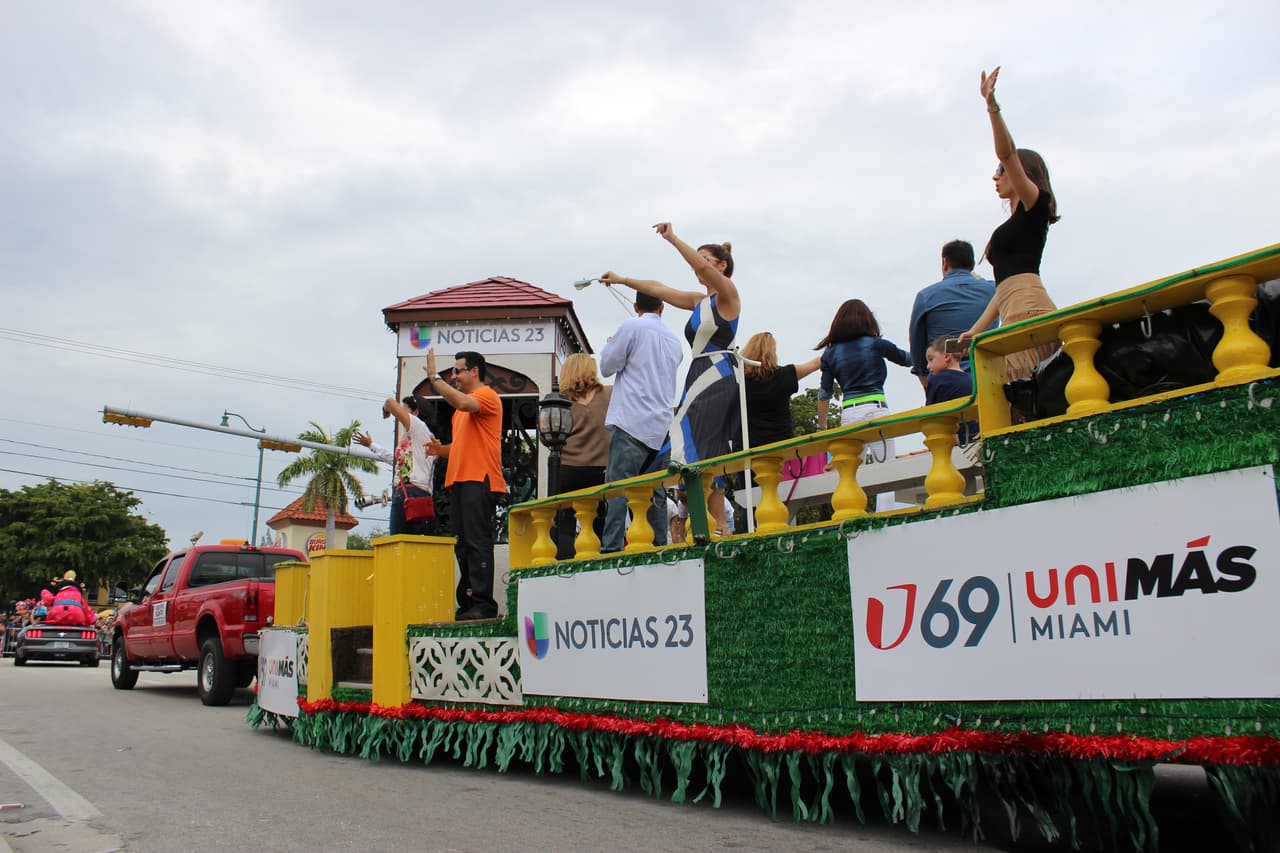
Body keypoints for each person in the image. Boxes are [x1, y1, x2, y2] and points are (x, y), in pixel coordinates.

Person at [602, 221, 741, 536]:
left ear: (722, 266)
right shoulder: (699, 302)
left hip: (718, 374)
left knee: (701, 445)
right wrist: (623, 279)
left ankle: (719, 524)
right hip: (698, 374)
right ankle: (714, 524)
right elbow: (659, 289)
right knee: (697, 447)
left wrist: (673, 239)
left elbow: (701, 271)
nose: (698, 267)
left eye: (705, 260)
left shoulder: (729, 295)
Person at [957, 67, 1062, 382]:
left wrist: (991, 107)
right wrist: (976, 330)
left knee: (1022, 387)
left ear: (1020, 173)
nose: (995, 176)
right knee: (1019, 389)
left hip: (1028, 309)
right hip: (1013, 308)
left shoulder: (1035, 205)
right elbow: (1003, 284)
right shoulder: (1017, 220)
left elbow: (1008, 152)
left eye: (1001, 170)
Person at [423, 349, 506, 621]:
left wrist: (435, 379)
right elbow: (461, 446)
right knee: (463, 544)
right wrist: (441, 450)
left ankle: (483, 603)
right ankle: (469, 600)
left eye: (457, 371)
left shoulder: (486, 396)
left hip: (479, 479)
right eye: (452, 372)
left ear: (474, 371)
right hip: (460, 480)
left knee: (477, 541)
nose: (454, 376)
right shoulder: (462, 412)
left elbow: (461, 402)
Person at [597, 290, 683, 552]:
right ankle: (659, 547)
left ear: (636, 306)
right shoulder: (674, 340)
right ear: (662, 307)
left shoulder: (631, 326)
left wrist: (611, 344)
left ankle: (611, 548)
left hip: (631, 420)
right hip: (661, 426)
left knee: (618, 488)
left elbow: (607, 367)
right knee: (656, 491)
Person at [815, 299, 911, 510]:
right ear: (867, 320)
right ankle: (885, 517)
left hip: (849, 414)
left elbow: (824, 394)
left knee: (849, 473)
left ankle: (851, 514)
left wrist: (822, 429)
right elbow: (906, 359)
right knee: (886, 471)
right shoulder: (876, 344)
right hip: (876, 409)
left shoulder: (830, 353)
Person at [908, 240, 995, 387]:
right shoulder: (993, 290)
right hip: (989, 376)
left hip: (946, 381)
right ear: (972, 264)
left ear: (945, 262)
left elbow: (917, 348)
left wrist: (927, 384)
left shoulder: (926, 296)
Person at [554, 353, 613, 559]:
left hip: (568, 469)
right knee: (599, 519)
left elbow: (547, 436)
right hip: (601, 469)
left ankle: (564, 565)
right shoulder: (610, 394)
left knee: (565, 522)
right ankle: (598, 563)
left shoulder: (559, 401)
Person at [354, 395, 438, 536]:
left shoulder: (419, 427)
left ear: (415, 413)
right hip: (411, 492)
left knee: (400, 541)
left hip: (412, 492)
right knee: (408, 542)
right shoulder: (415, 438)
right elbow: (397, 461)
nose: (399, 413)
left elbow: (389, 402)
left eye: (403, 409)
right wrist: (371, 445)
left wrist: (386, 410)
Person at [741, 331, 822, 448]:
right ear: (772, 353)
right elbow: (817, 363)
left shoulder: (739, 381)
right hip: (783, 446)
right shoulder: (786, 375)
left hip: (751, 447)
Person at [925, 336, 980, 445]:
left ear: (947, 356)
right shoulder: (971, 379)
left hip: (957, 439)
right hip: (976, 433)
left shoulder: (937, 380)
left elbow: (930, 414)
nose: (927, 366)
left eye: (931, 359)